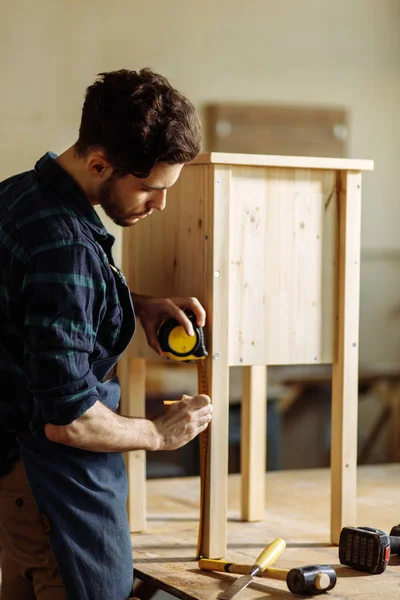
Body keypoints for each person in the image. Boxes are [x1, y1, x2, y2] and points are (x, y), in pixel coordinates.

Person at [0, 68, 213, 600]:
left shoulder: (19, 197)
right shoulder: (65, 244)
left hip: (16, 476)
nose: (160, 204)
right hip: (52, 483)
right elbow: (69, 421)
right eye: (149, 188)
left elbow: (32, 307)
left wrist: (132, 304)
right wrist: (161, 434)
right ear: (100, 164)